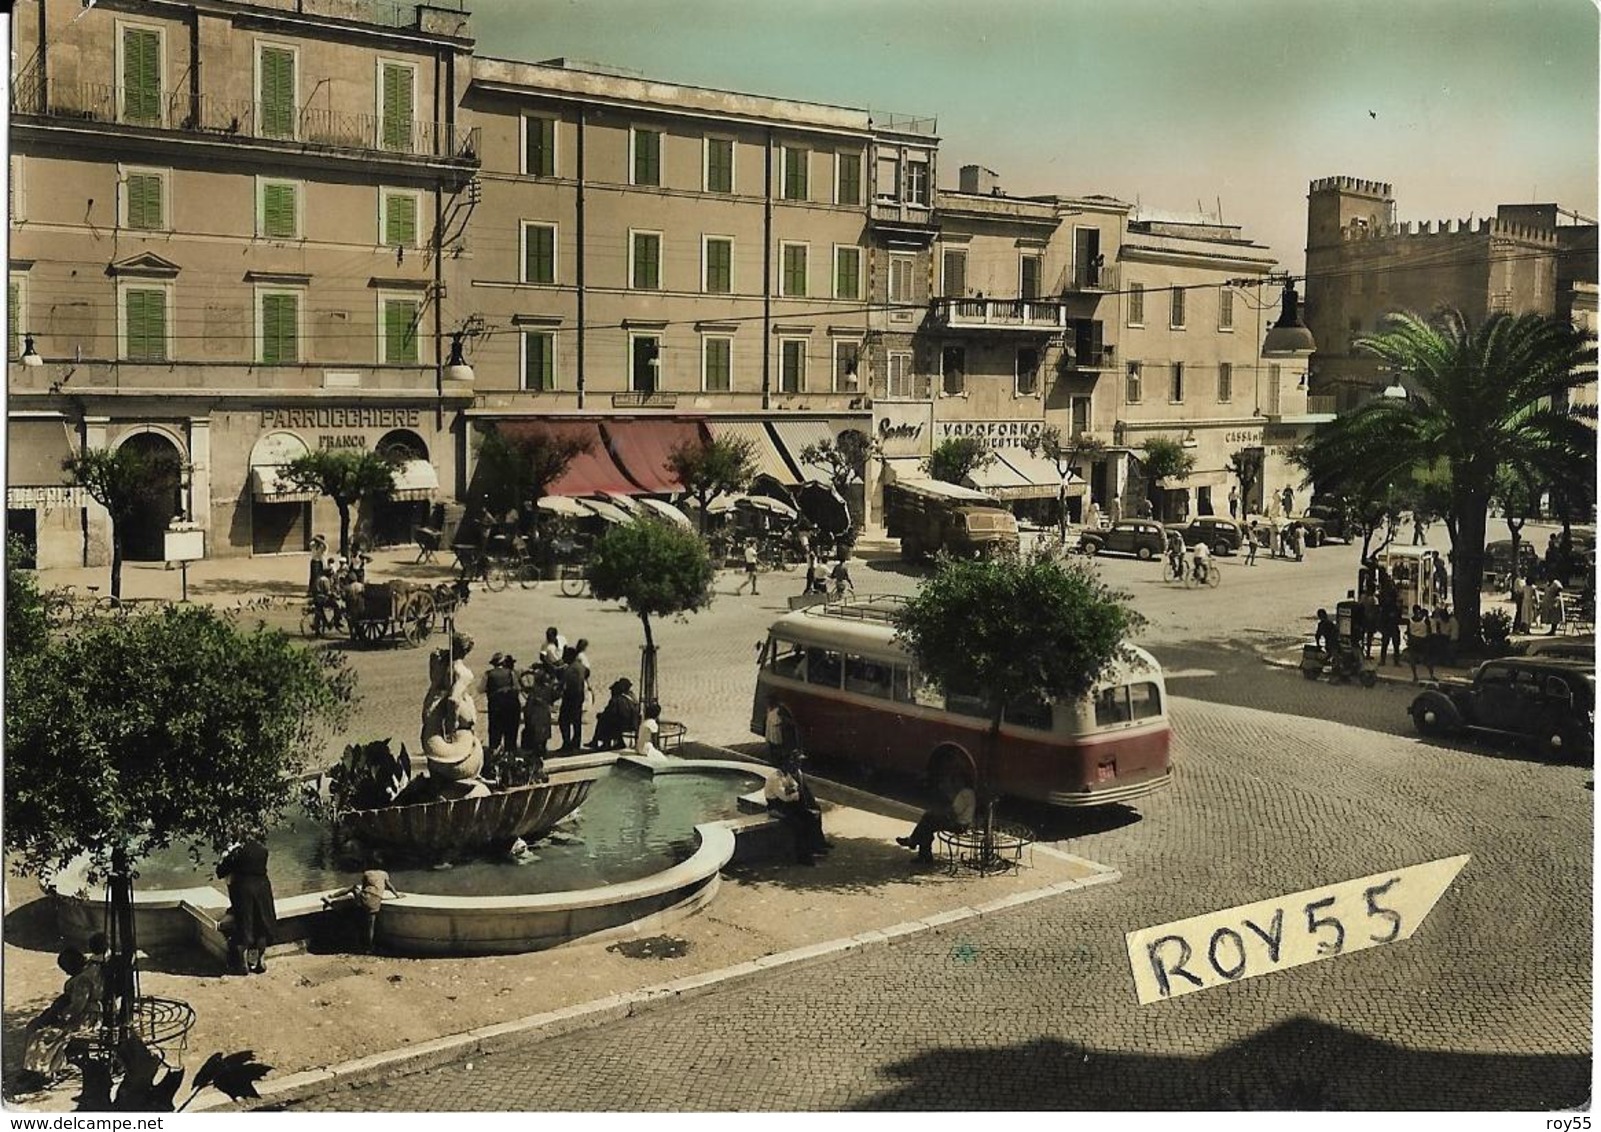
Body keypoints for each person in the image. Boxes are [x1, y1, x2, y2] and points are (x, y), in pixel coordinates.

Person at [19, 949, 105, 1090]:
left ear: (74, 965)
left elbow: (77, 1006)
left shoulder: (83, 980)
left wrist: (60, 1016)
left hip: (86, 1018)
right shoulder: (90, 970)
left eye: (67, 969)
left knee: (46, 1035)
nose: (66, 973)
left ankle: (43, 1072)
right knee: (36, 1027)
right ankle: (32, 1068)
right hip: (83, 1015)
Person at [217, 838, 276, 975]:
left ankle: (243, 964)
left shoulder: (236, 852)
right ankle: (261, 959)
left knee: (244, 924)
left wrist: (224, 857)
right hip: (262, 888)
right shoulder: (262, 850)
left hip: (244, 890)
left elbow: (221, 872)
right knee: (263, 923)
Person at [763, 750, 828, 866]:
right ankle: (803, 857)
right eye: (792, 762)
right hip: (777, 808)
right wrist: (793, 793)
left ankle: (815, 847)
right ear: (784, 764)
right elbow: (785, 797)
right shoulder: (775, 778)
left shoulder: (787, 774)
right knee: (798, 825)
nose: (795, 765)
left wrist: (792, 792)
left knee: (810, 817)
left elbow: (795, 788)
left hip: (787, 806)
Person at [896, 779, 977, 865]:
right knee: (928, 823)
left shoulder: (965, 793)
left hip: (958, 824)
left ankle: (917, 845)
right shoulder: (968, 792)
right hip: (959, 822)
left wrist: (942, 812)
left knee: (928, 819)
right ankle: (919, 848)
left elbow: (955, 811)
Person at [324, 869, 402, 954]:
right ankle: (370, 948)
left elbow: (364, 887)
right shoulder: (384, 874)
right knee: (370, 926)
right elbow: (390, 886)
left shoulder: (367, 873)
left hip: (364, 898)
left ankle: (332, 896)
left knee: (353, 888)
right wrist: (397, 895)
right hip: (375, 901)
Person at [588, 677, 640, 751]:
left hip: (623, 724)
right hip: (633, 722)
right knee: (607, 719)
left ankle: (604, 742)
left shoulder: (617, 699)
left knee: (604, 721)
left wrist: (601, 715)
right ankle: (613, 741)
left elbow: (610, 712)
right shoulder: (632, 697)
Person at [485, 653, 521, 755]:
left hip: (495, 707)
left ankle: (495, 755)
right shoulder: (511, 673)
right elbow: (517, 688)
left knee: (495, 733)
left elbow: (480, 689)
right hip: (511, 706)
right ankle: (510, 754)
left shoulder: (488, 674)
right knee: (511, 733)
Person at [557, 646, 586, 752]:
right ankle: (576, 743)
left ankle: (567, 744)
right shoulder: (581, 666)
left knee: (564, 721)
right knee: (576, 721)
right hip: (579, 696)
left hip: (571, 696)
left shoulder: (569, 669)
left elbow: (563, 684)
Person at [520, 673, 553, 757]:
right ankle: (543, 749)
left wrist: (526, 714)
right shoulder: (549, 689)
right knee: (544, 734)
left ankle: (536, 751)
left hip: (535, 716)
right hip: (545, 714)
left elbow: (529, 706)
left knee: (535, 734)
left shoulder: (534, 692)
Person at [1406, 605, 1436, 682]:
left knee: (1413, 659)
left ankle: (1415, 676)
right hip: (1423, 641)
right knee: (1427, 658)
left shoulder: (1410, 620)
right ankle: (1432, 675)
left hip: (1413, 640)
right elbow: (1429, 632)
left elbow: (1408, 632)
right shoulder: (1425, 620)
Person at [1377, 584, 1404, 666]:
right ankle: (1394, 661)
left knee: (1387, 644)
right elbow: (1399, 617)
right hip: (1391, 626)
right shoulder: (1393, 606)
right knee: (1394, 645)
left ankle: (1384, 660)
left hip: (1388, 626)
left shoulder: (1387, 606)